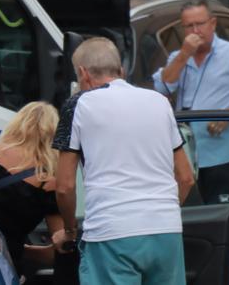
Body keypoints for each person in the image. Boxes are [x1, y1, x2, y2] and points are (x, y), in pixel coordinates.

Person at [51, 37, 195, 285]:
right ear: (122, 71)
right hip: (165, 230)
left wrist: (70, 231)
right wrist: (161, 212)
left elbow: (64, 186)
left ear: (83, 74)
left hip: (111, 231)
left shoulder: (78, 105)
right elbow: (186, 177)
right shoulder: (160, 102)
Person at [0, 102, 76, 284]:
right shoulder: (48, 183)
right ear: (53, 137)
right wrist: (14, 249)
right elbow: (60, 247)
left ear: (15, 125)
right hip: (5, 267)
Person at [152, 0, 229, 204]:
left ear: (212, 23)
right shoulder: (179, 56)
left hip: (222, 152)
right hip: (185, 154)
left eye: (200, 24)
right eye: (189, 26)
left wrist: (226, 117)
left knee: (221, 211)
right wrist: (184, 55)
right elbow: (162, 87)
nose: (196, 30)